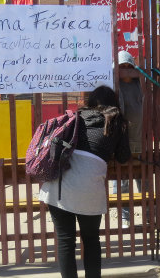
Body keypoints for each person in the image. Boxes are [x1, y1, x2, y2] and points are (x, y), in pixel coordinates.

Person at [39, 85, 131, 278]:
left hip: (60, 184)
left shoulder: (77, 117)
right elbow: (123, 157)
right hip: (89, 185)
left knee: (66, 241)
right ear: (113, 103)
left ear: (90, 102)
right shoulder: (118, 122)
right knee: (91, 240)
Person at [115, 50, 144, 227]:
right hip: (122, 142)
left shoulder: (139, 85)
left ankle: (150, 215)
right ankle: (125, 217)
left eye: (128, 66)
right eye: (122, 67)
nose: (126, 70)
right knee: (122, 181)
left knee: (144, 180)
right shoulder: (115, 87)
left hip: (141, 139)